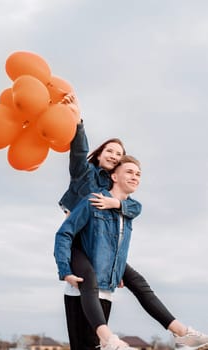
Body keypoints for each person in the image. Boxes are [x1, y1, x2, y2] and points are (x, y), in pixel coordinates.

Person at [57, 95, 208, 350]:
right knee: (90, 279)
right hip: (80, 244)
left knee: (137, 281)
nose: (115, 156)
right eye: (110, 151)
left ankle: (180, 332)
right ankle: (107, 339)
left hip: (101, 246)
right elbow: (80, 150)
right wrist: (78, 120)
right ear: (100, 153)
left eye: (119, 154)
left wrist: (117, 205)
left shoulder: (110, 185)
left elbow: (134, 205)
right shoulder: (84, 174)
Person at [55, 155, 142, 350]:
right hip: (81, 290)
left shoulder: (127, 213)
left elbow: (116, 250)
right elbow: (63, 235)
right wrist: (65, 271)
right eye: (129, 172)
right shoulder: (93, 201)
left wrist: (117, 271)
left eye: (138, 174)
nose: (135, 177)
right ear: (114, 176)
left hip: (106, 292)